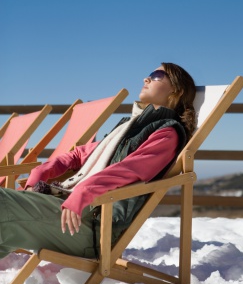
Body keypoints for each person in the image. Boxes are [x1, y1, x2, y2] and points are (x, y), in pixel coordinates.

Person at [0, 63, 196, 260]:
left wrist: (84, 190)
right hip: (67, 208)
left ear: (176, 91)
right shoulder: (129, 127)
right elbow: (80, 154)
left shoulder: (167, 134)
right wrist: (43, 170)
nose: (146, 78)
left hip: (93, 226)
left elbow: (130, 169)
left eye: (156, 75)